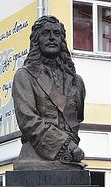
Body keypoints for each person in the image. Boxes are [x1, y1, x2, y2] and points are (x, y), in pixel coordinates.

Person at [12, 15, 86, 169]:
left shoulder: (76, 82)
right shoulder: (25, 76)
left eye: (56, 34)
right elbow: (28, 120)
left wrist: (72, 149)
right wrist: (66, 147)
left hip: (70, 158)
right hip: (35, 157)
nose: (52, 38)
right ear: (36, 40)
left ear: (62, 41)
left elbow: (76, 121)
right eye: (46, 33)